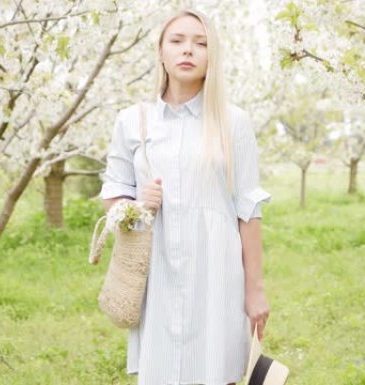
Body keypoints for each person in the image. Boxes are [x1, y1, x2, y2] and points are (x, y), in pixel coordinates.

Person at [99, 9, 271, 385]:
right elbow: (112, 195)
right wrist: (137, 205)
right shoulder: (133, 120)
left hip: (216, 267)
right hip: (156, 268)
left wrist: (254, 291)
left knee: (218, 370)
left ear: (213, 55)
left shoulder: (232, 121)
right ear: (161, 51)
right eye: (177, 41)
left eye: (201, 43)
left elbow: (248, 209)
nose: (188, 50)